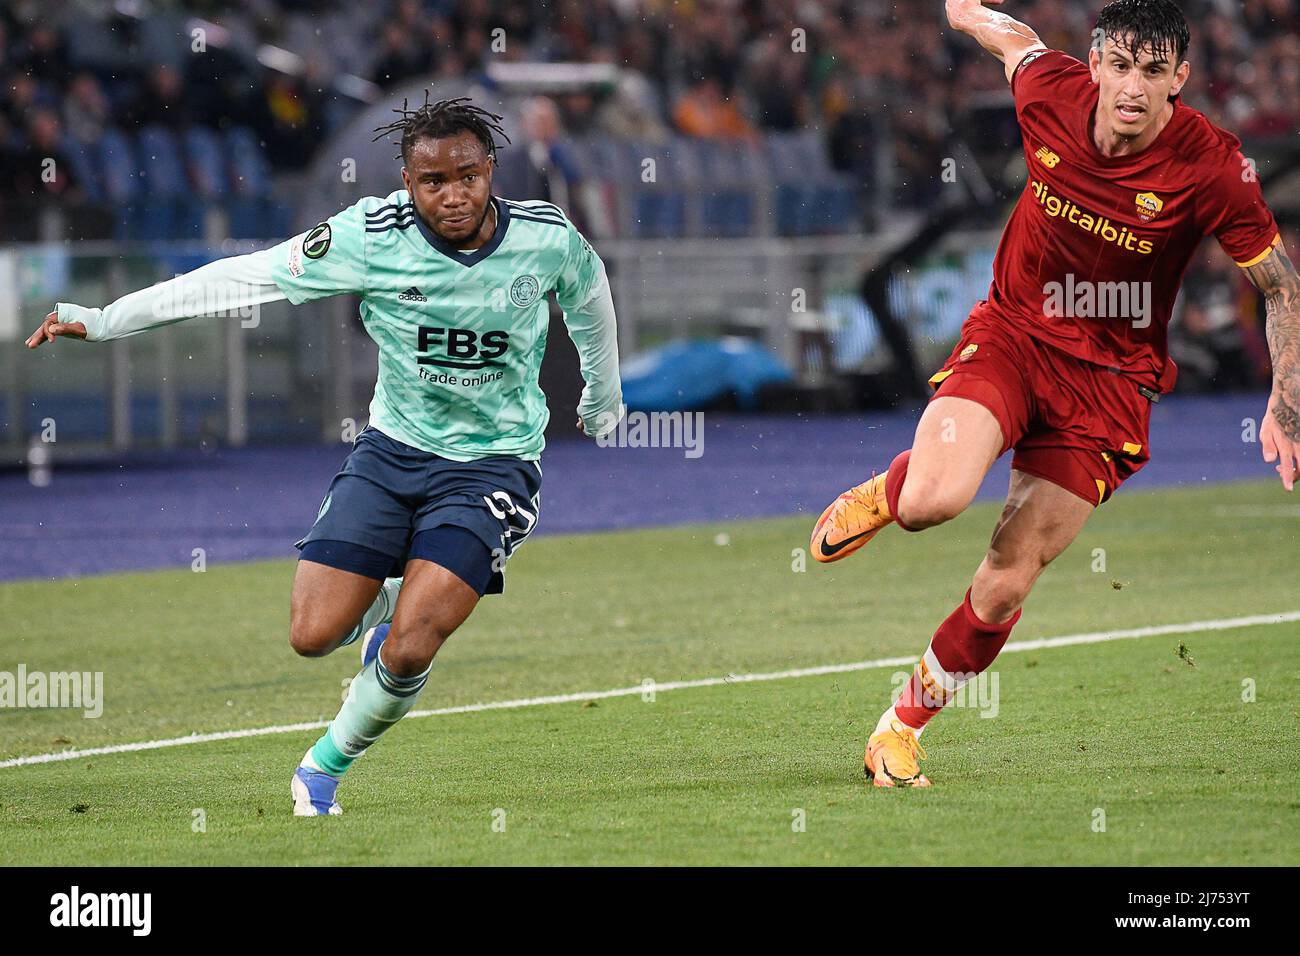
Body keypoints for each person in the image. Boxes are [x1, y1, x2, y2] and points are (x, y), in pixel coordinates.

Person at [26, 96, 625, 815]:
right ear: (408, 183)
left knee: (414, 643)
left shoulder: (544, 237)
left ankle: (323, 766)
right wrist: (104, 319)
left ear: (491, 169)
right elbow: (238, 279)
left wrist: (602, 391)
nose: (454, 194)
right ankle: (388, 599)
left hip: (493, 464)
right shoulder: (370, 236)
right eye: (434, 182)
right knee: (313, 635)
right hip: (392, 453)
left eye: (467, 175)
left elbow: (589, 294)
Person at [810, 0, 1299, 788]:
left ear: (1179, 78)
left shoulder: (1211, 165)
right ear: (1097, 63)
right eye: (1120, 66)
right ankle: (890, 491)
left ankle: (897, 731)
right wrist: (966, 11)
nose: (1133, 88)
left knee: (1007, 580)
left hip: (1109, 383)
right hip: (1014, 335)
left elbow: (1278, 286)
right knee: (935, 501)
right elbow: (1016, 41)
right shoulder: (1051, 91)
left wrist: (1286, 399)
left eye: (1154, 71)